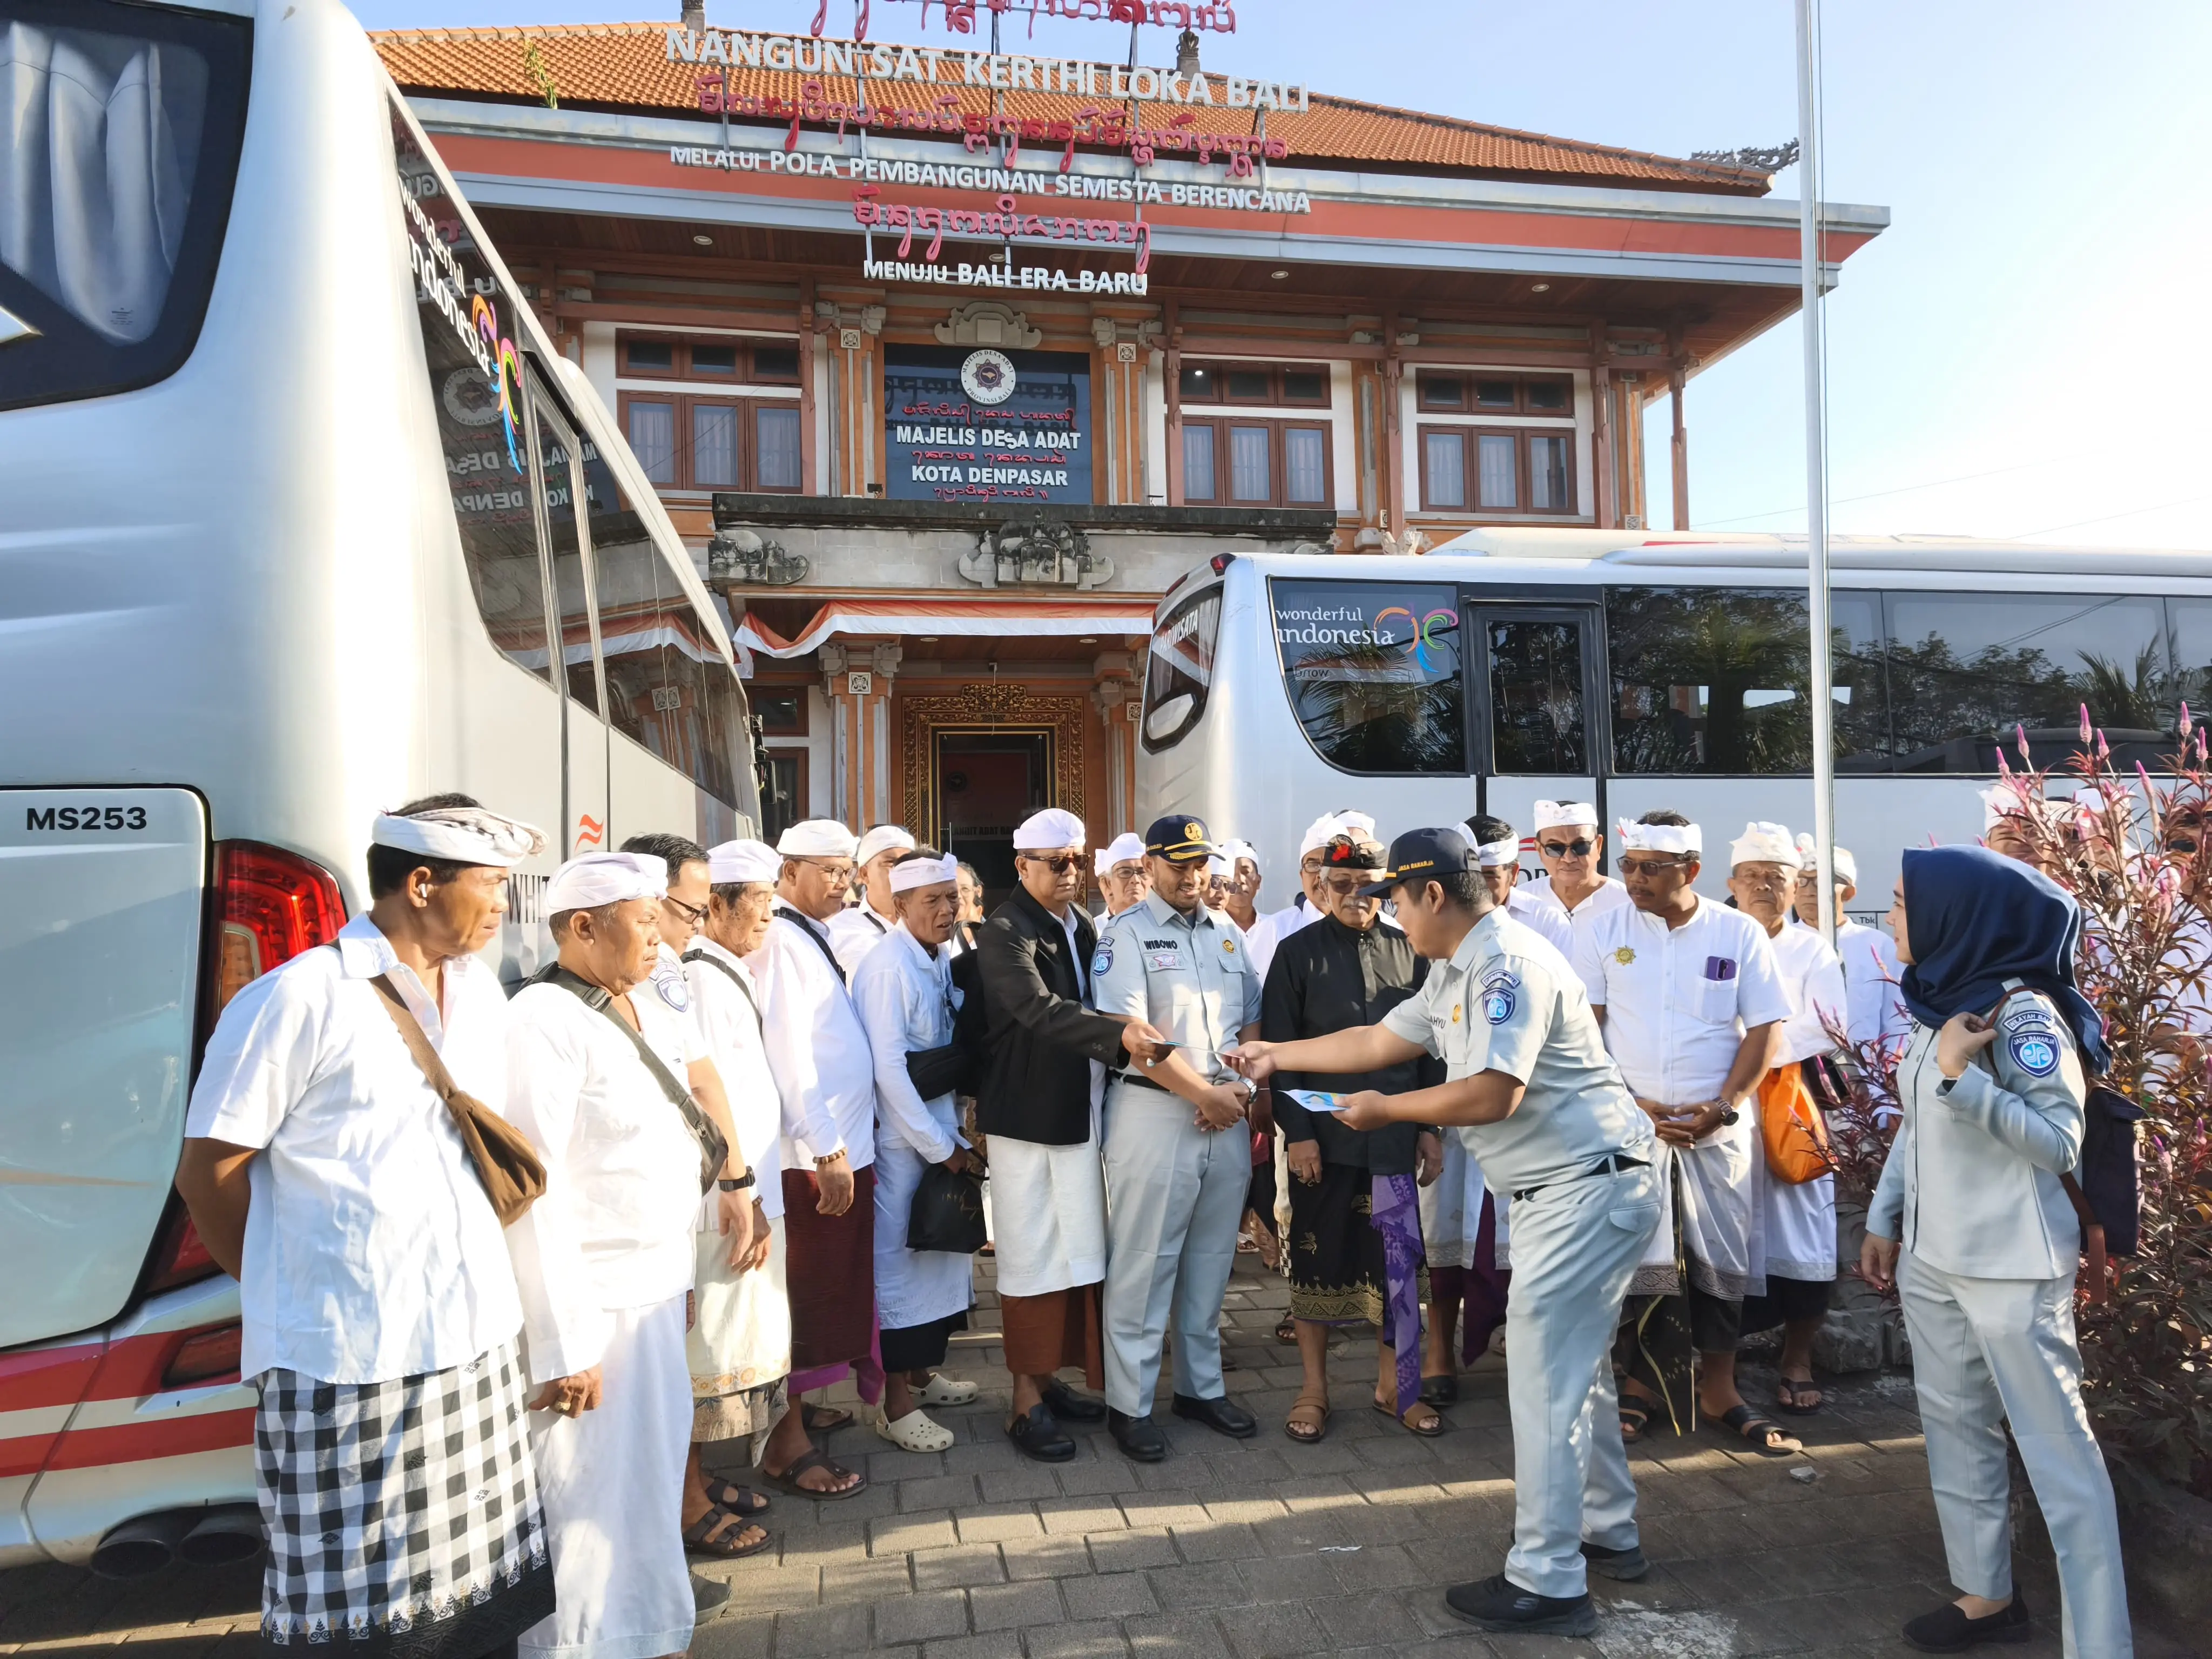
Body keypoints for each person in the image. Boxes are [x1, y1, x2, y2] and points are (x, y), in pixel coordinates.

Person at [1229, 826, 1663, 1638]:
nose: (1384, 905)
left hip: (1584, 1188)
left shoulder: (1507, 966)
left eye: (1394, 894)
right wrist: (1275, 1055)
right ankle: (1606, 1529)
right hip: (1560, 1191)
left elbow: (1494, 1092)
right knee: (1577, 1375)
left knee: (1544, 1381)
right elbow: (1377, 1041)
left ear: (1432, 894)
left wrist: (1388, 1108)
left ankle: (1548, 1578)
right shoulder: (1454, 966)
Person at [176, 799, 554, 1659]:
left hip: (470, 1339)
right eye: (491, 886)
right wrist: (292, 1286)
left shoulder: (478, 990)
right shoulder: (301, 997)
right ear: (421, 884)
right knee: (365, 1620)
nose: (503, 906)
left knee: (480, 1605)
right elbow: (209, 1170)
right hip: (349, 1365)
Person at [1862, 846, 2130, 1657]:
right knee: (1954, 1429)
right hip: (1936, 1258)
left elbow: (2058, 1142)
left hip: (2013, 1269)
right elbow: (1919, 1124)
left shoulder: (2021, 1017)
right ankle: (1986, 1595)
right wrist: (1884, 1216)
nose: (1894, 915)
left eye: (1904, 902)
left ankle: (2102, 1642)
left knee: (2060, 1460)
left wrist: (1961, 1079)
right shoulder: (1941, 1000)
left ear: (1959, 916)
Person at [504, 849, 752, 1659]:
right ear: (583, 927)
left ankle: (650, 1631)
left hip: (653, 1287)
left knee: (645, 1484)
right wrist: (564, 1338)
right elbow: (531, 1190)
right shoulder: (545, 1019)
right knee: (587, 1495)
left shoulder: (643, 1001)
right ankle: (580, 1646)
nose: (660, 938)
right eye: (645, 922)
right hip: (594, 1306)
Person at [1570, 812, 1795, 1454]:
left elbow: (1765, 1028)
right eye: (1629, 865)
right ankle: (1640, 1387)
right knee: (1639, 1260)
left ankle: (1718, 1389)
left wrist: (1724, 1108)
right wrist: (1629, 1103)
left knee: (1718, 1260)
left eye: (1651, 867)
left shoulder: (1737, 932)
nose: (1634, 879)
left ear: (1691, 871)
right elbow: (1585, 1031)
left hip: (1713, 1133)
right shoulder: (1601, 928)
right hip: (1630, 1128)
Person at [976, 808, 1166, 1460]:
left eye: (1078, 861)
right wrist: (1117, 1036)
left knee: (1079, 1251)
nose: (1070, 873)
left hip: (1079, 1114)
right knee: (1031, 1256)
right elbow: (1034, 1009)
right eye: (1056, 863)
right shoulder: (1004, 931)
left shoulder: (1079, 923)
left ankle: (1049, 1382)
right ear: (1021, 866)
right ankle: (1023, 1404)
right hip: (1029, 1121)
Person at [1265, 829, 1447, 1442]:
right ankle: (1313, 1388)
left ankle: (1396, 1385)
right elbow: (1282, 1053)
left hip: (1393, 1136)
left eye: (1368, 887)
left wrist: (1428, 1127)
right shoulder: (1295, 954)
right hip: (1324, 1138)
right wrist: (1297, 1133)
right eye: (1340, 885)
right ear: (1319, 887)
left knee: (1396, 1266)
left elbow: (1431, 1049)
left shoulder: (1412, 950)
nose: (1354, 897)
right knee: (1317, 1263)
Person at [1092, 814, 1264, 1460]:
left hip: (1224, 1111)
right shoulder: (1125, 936)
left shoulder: (1225, 933)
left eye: (1201, 863)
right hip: (1156, 1115)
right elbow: (1133, 1037)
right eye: (1178, 863)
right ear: (1151, 865)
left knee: (1210, 1261)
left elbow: (1251, 1019)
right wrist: (1206, 1096)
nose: (1192, 875)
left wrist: (1240, 1091)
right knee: (1145, 1263)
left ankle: (1200, 1388)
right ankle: (1129, 1404)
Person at [746, 820, 872, 1499]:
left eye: (845, 870)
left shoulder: (807, 933)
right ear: (787, 871)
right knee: (799, 1302)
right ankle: (783, 1440)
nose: (841, 882)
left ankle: (796, 1413)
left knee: (824, 1302)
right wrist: (824, 1146)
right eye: (826, 870)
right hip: (810, 1155)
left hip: (836, 1144)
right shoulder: (780, 939)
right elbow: (790, 1056)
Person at [680, 839, 792, 1561]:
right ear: (714, 906)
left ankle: (695, 1483)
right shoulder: (697, 978)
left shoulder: (727, 972)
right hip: (720, 1197)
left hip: (746, 1188)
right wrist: (739, 1187)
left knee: (726, 1344)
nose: (768, 922)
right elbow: (706, 1092)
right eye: (760, 908)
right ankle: (687, 1498)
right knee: (699, 1354)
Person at [852, 849, 982, 1452]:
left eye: (951, 897)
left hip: (940, 1135)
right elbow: (887, 1070)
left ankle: (923, 1377)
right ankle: (893, 1405)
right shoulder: (886, 967)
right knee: (901, 1267)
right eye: (931, 900)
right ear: (899, 906)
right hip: (907, 1148)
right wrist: (938, 1148)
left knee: (939, 1259)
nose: (946, 910)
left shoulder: (939, 956)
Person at [1727, 824, 1848, 1419]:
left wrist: (1754, 1050)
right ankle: (1715, 1366)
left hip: (1789, 1106)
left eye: (1776, 879)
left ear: (1795, 885)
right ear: (1731, 883)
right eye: (1752, 877)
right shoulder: (1715, 939)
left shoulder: (1812, 950)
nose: (1763, 889)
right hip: (1724, 1108)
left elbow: (1828, 1024)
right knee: (1723, 1231)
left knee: (1804, 1232)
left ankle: (1796, 1359)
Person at [1794, 834, 1910, 1051]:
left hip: (1866, 1076)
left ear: (1848, 893)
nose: (1808, 891)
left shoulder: (1878, 945)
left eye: (1820, 882)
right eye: (1801, 881)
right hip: (1796, 1077)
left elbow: (1897, 1021)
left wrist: (1888, 1075)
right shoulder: (1778, 943)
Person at [1246, 811, 1374, 982]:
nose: (1322, 875)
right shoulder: (1275, 930)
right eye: (1313, 865)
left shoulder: (1383, 928)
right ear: (1301, 875)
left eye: (1330, 865)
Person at [1515, 800, 1629, 936]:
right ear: (1539, 850)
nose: (1569, 859)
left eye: (1581, 847)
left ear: (1599, 846)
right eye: (1555, 848)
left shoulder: (1626, 904)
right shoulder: (1520, 904)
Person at [1466, 813, 1571, 958]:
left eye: (1488, 876)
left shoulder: (1547, 922)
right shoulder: (1439, 918)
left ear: (1514, 874)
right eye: (1467, 875)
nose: (1475, 885)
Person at [828, 823, 916, 976]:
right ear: (865, 874)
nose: (902, 871)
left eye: (908, 863)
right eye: (891, 863)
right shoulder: (837, 931)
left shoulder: (930, 925)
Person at [1092, 831, 1148, 923]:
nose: (1135, 880)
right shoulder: (1094, 931)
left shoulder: (1167, 928)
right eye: (1125, 872)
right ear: (1109, 883)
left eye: (1142, 872)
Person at [1219, 838, 1264, 932]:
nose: (1239, 880)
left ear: (1258, 881)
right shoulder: (1210, 928)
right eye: (1231, 872)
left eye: (1246, 872)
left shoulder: (1274, 927)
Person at [952, 860, 987, 954]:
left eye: (965, 889)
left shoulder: (994, 938)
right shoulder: (939, 941)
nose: (958, 895)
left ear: (978, 891)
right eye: (952, 890)